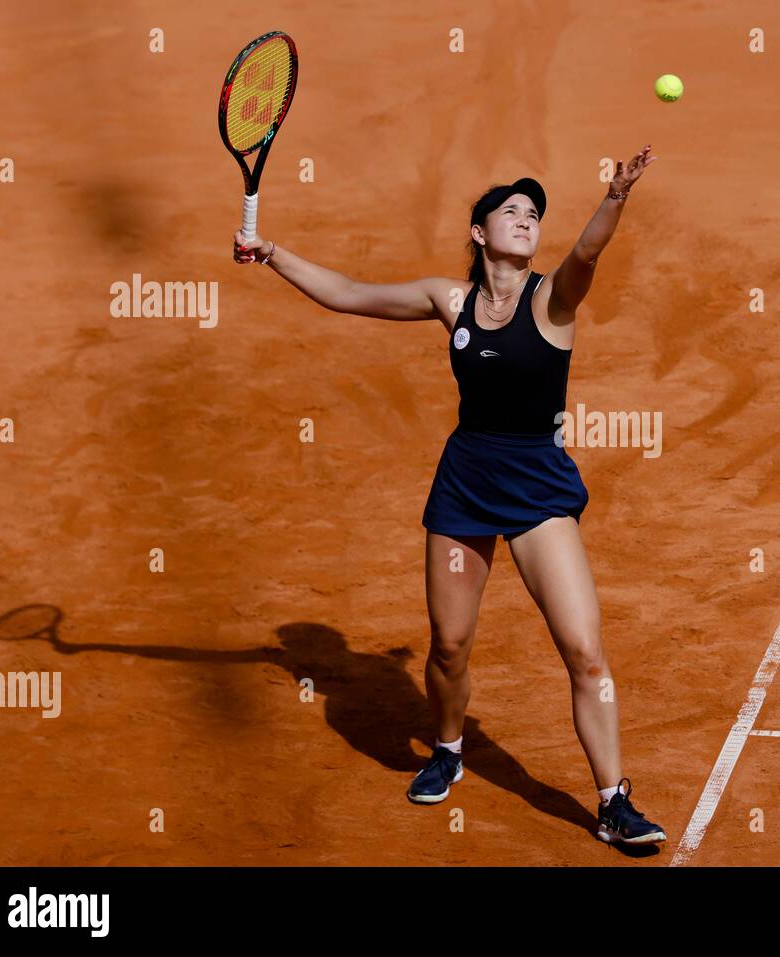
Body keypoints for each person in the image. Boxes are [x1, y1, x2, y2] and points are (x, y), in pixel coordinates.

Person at [232, 145, 667, 845]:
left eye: (534, 213)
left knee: (585, 650)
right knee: (449, 646)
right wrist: (272, 252)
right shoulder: (450, 299)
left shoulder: (552, 297)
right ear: (480, 232)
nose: (527, 219)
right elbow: (350, 293)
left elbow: (587, 253)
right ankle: (448, 747)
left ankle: (614, 800)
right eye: (512, 210)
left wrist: (614, 196)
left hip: (537, 490)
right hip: (465, 483)